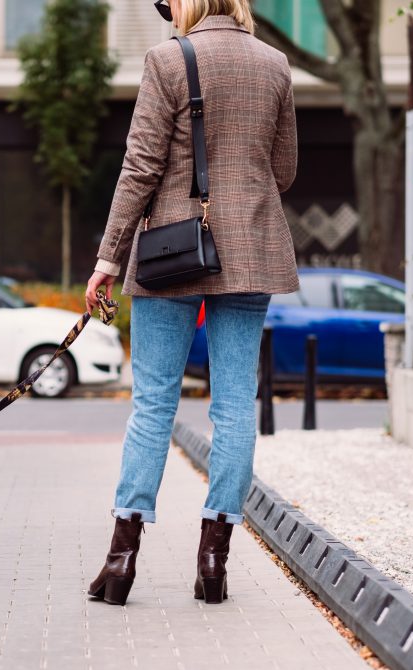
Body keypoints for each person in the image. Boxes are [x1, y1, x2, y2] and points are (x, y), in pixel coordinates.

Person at [85, 0, 298, 606]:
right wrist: (238, 193)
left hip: (169, 253)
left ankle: (122, 560)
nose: (165, 9)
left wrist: (107, 258)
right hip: (252, 250)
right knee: (235, 407)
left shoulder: (166, 59)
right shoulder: (275, 64)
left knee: (153, 404)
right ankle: (214, 561)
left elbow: (141, 167)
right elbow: (282, 168)